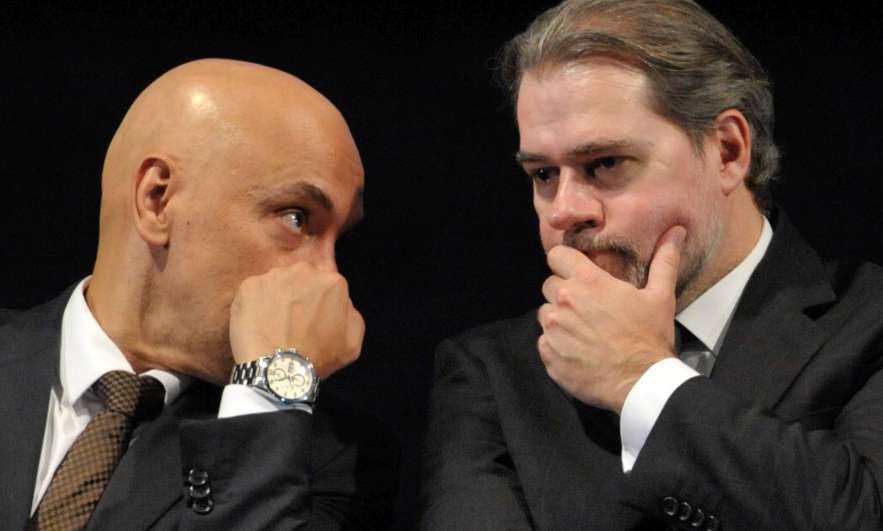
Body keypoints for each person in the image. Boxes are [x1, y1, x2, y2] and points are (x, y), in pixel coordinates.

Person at [420, 1, 883, 529]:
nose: (564, 210)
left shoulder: (868, 324)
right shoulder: (493, 372)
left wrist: (642, 380)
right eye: (544, 174)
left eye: (604, 164)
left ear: (728, 151)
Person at [0, 59, 396, 530]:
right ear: (157, 200)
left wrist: (267, 392)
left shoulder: (331, 459)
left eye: (339, 238)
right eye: (297, 218)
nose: (328, 280)